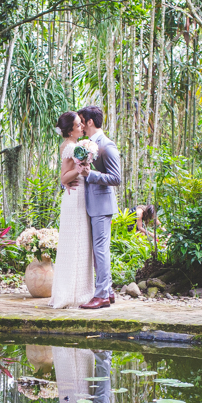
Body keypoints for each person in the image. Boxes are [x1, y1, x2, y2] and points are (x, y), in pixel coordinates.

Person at [76, 105, 122, 309]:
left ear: (90, 122)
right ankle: (108, 291)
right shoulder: (86, 144)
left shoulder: (106, 146)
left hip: (102, 206)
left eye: (82, 121)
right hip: (90, 204)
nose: (80, 126)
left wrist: (91, 175)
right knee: (97, 251)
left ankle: (102, 295)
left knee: (100, 251)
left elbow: (116, 178)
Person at [49, 111, 95, 310]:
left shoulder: (73, 145)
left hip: (77, 195)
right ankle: (73, 295)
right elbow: (63, 178)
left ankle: (77, 291)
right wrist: (80, 169)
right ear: (70, 131)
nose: (81, 127)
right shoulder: (70, 147)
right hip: (75, 197)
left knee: (79, 242)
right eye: (78, 125)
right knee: (75, 243)